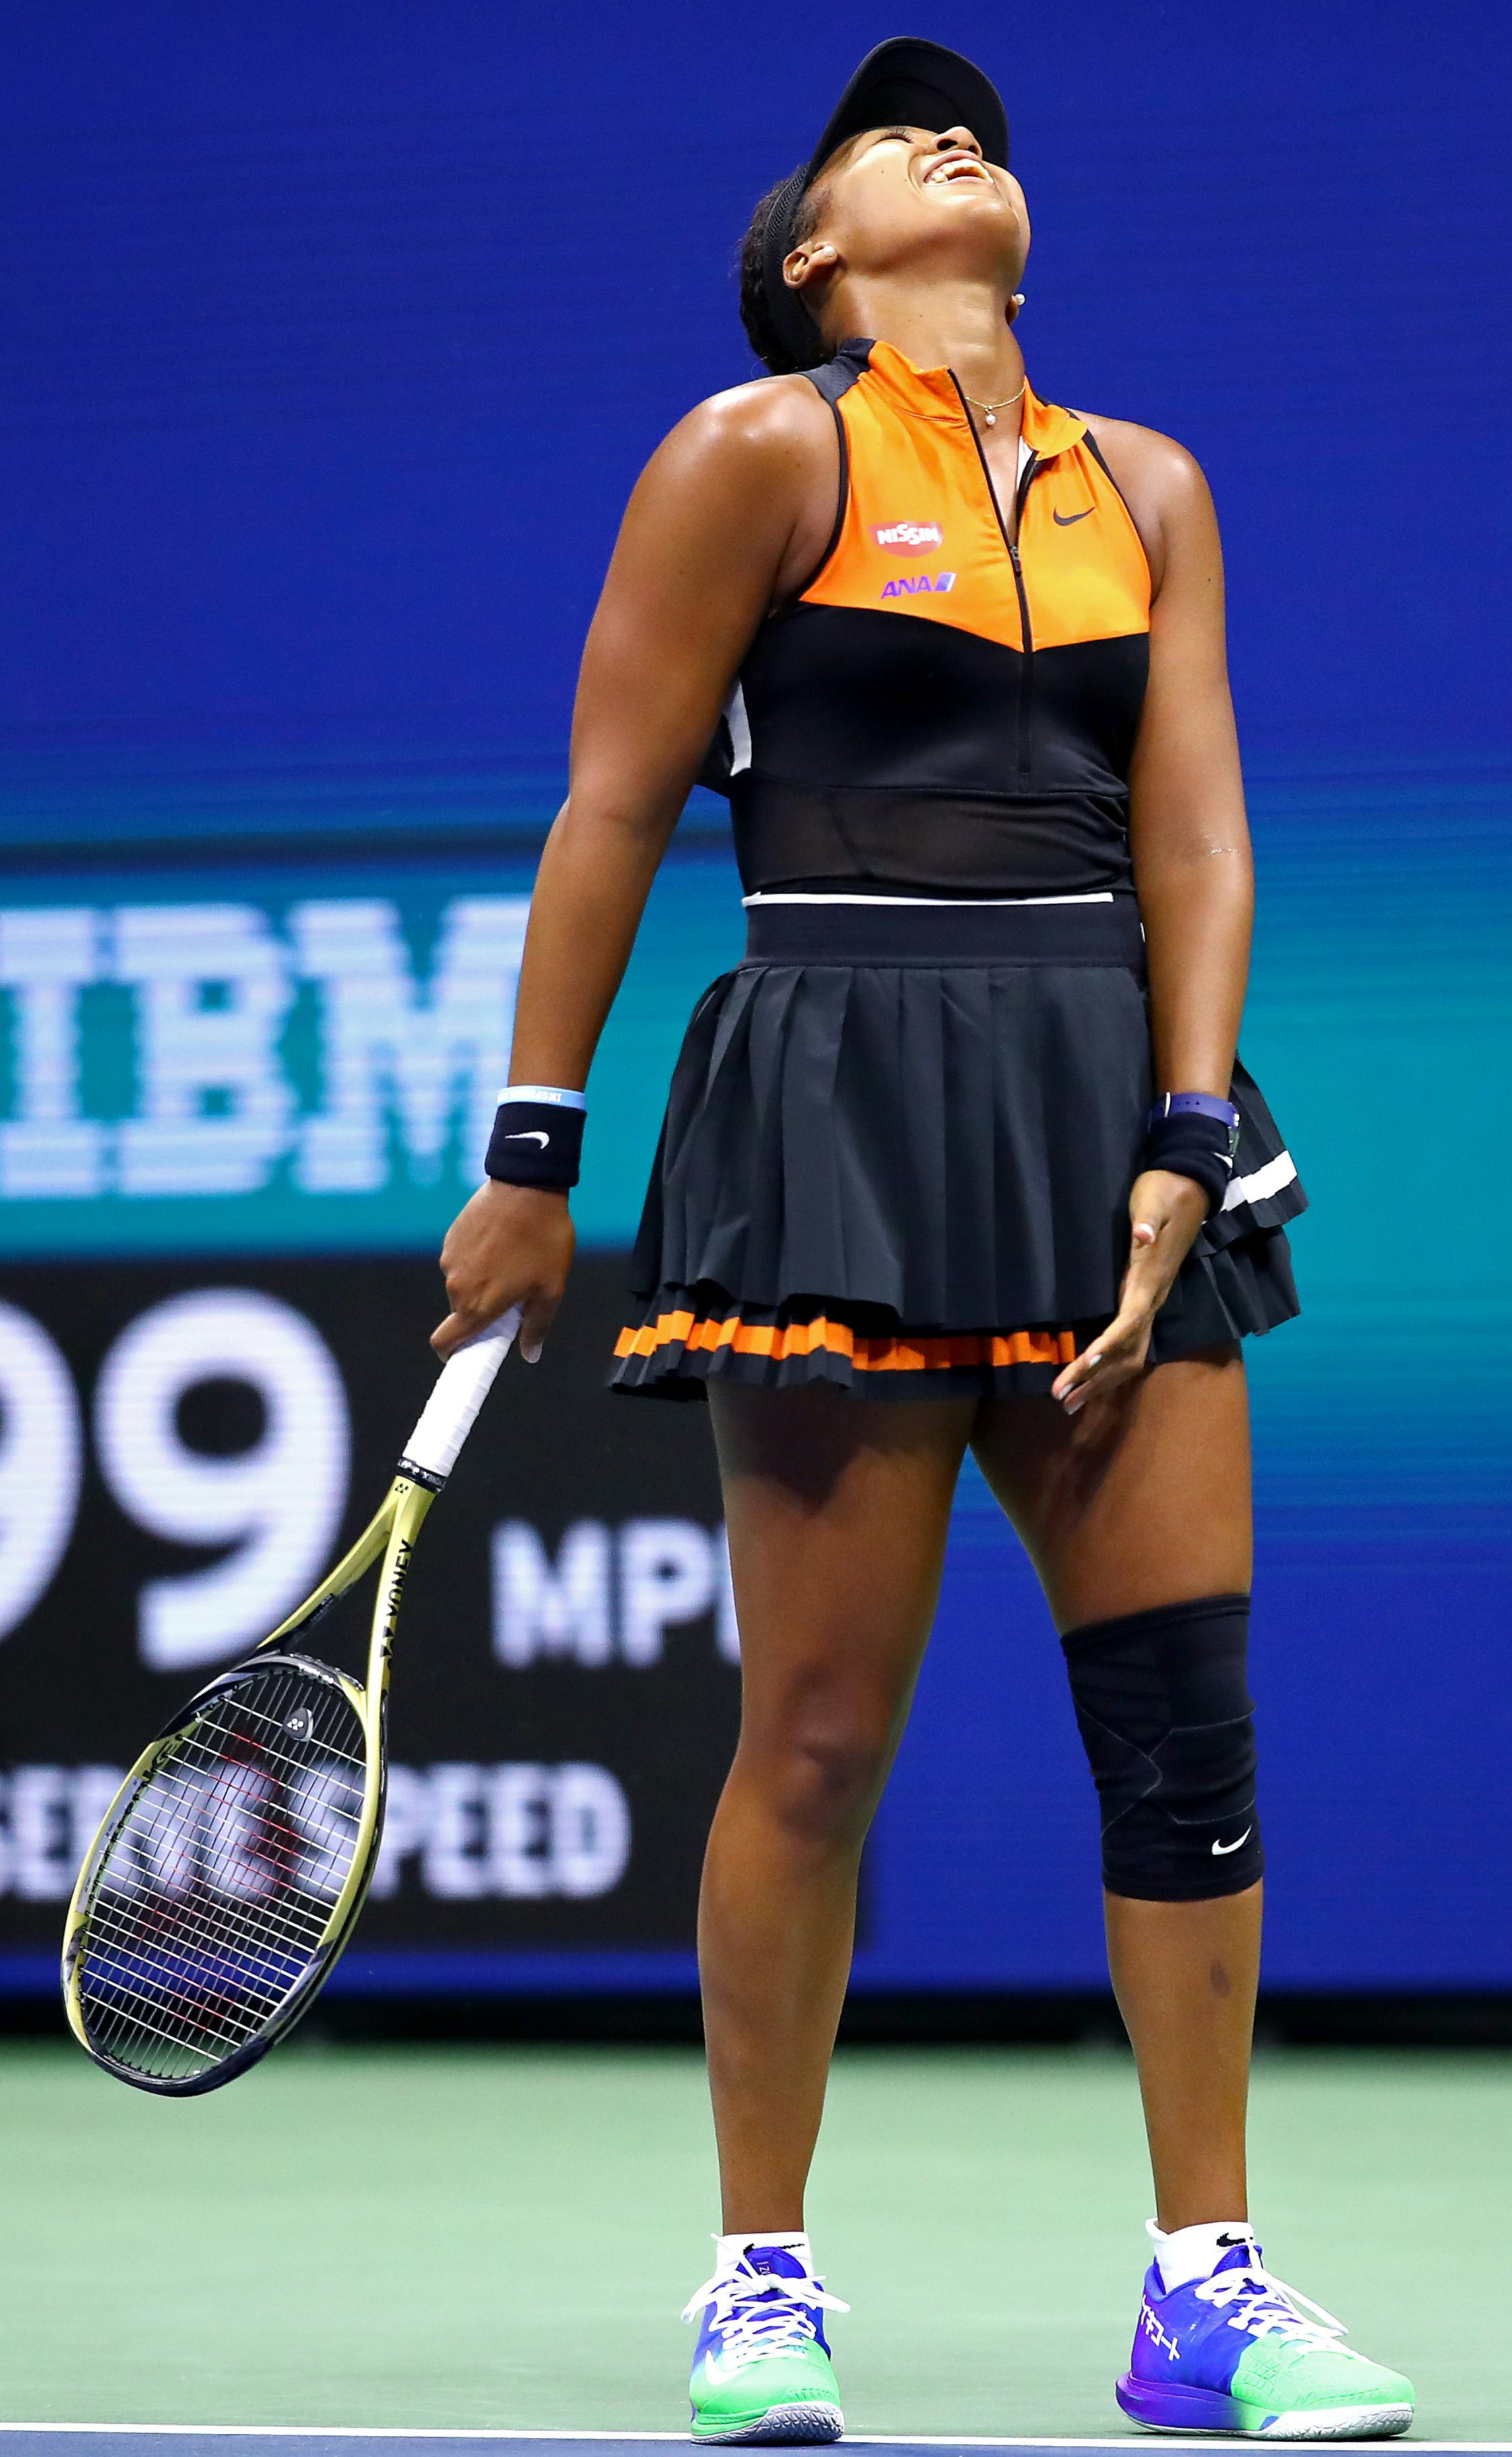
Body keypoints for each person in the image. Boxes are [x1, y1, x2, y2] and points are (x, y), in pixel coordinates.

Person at [434, 38, 1414, 2446]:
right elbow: (610, 805)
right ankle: (760, 2281)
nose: (957, 140)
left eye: (975, 128)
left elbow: (1197, 837)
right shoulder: (754, 452)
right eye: (895, 137)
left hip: (1110, 1114)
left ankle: (1207, 2293)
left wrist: (1188, 1127)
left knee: (1184, 1730)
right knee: (817, 1738)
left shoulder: (1148, 485)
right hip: (840, 1105)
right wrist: (532, 1155)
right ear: (815, 256)